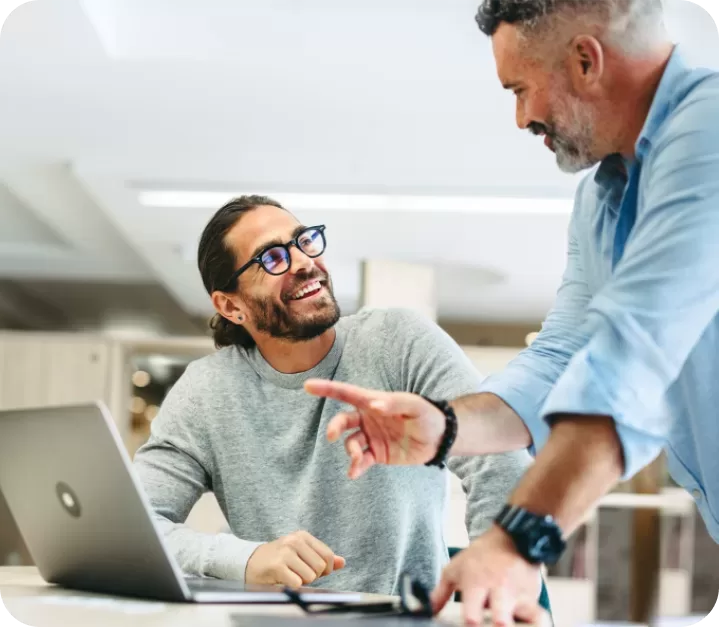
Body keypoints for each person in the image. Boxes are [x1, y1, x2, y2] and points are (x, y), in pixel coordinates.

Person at [304, 0, 719, 623]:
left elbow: (629, 357)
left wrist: (517, 541)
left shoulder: (709, 131)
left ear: (586, 60)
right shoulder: (600, 201)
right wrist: (446, 426)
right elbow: (559, 359)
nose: (524, 117)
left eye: (521, 90)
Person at [132, 194, 531, 597]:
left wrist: (495, 577)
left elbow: (499, 457)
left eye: (303, 241)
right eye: (272, 258)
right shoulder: (205, 392)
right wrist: (245, 559)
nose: (305, 262)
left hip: (403, 619)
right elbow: (133, 527)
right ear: (231, 305)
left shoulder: (399, 341)